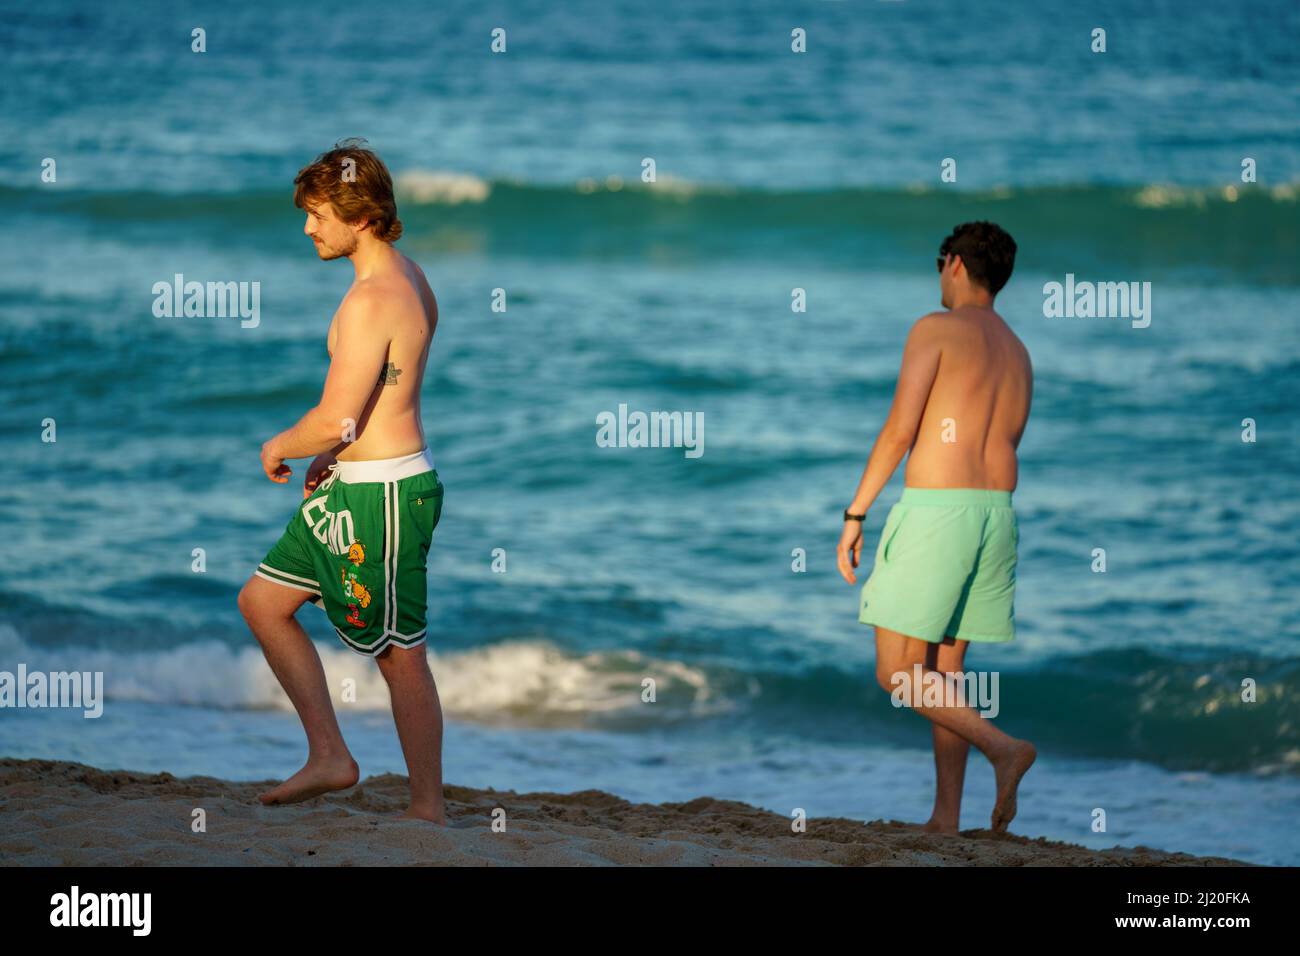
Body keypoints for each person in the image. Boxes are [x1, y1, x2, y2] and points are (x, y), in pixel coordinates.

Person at [237, 139, 449, 824]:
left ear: (359, 216)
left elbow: (333, 418)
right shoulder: (412, 276)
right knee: (263, 603)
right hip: (354, 486)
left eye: (319, 214)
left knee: (397, 654)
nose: (308, 227)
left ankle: (427, 810)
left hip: (382, 497)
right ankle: (330, 756)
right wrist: (335, 457)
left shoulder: (371, 299)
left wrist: (281, 445)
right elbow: (381, 401)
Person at [837, 221, 1037, 834]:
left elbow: (901, 429)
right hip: (995, 517)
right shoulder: (1018, 351)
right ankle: (946, 818)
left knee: (896, 671)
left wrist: (856, 512)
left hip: (938, 512)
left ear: (953, 264)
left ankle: (1005, 749)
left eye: (938, 264)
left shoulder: (935, 329)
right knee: (944, 676)